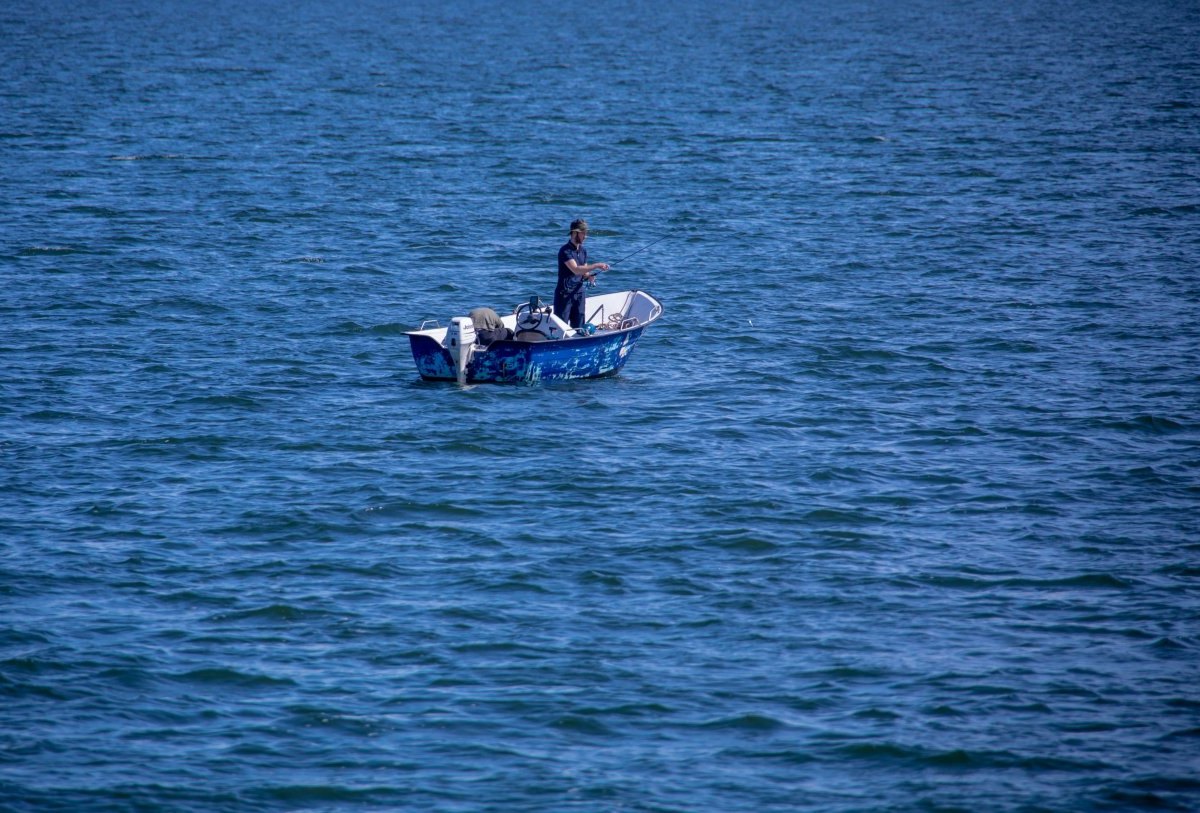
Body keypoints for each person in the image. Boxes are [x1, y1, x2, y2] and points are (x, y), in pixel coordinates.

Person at [554, 218, 609, 329]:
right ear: (575, 233)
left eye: (586, 233)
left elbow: (584, 271)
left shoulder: (583, 250)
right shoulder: (565, 251)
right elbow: (576, 269)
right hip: (565, 294)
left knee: (579, 326)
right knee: (561, 327)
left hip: (579, 292)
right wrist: (597, 265)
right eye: (583, 233)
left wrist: (589, 276)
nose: (585, 236)